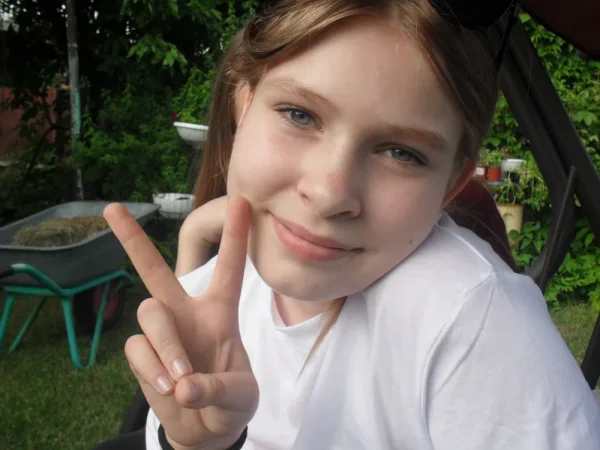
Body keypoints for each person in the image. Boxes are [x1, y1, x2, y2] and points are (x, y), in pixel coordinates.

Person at [98, 1, 600, 449]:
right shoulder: (223, 286)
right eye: (299, 115)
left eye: (401, 153)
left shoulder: (474, 326)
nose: (329, 193)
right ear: (242, 108)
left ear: (450, 187)